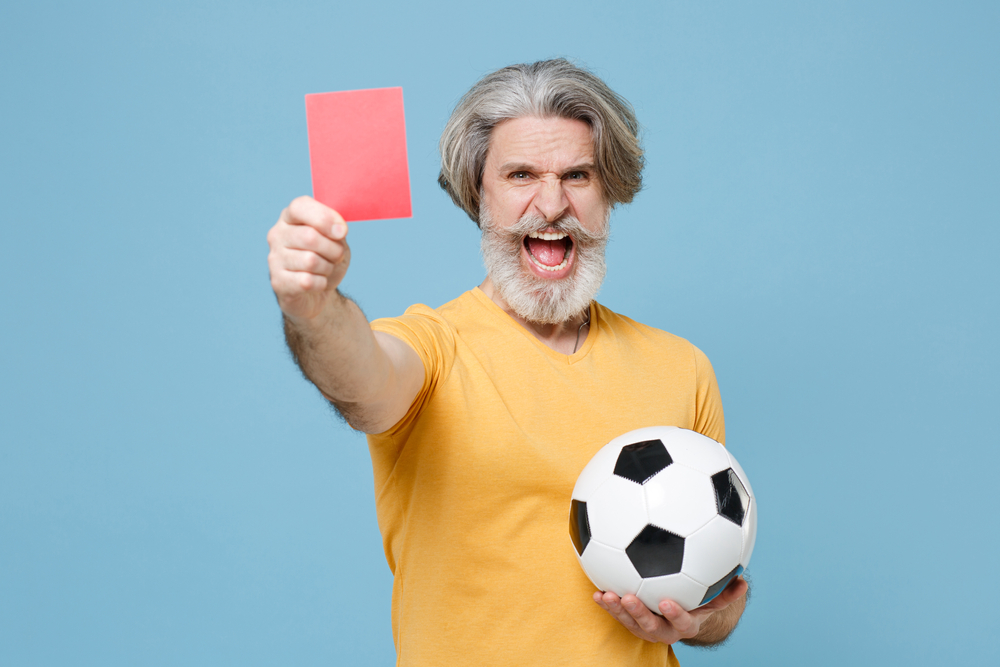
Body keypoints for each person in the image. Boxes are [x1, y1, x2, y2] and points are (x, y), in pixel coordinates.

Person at [267, 59, 748, 667]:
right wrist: (313, 310)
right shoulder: (434, 346)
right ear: (478, 193)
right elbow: (361, 378)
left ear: (609, 195)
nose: (551, 204)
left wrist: (701, 620)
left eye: (578, 175)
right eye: (521, 174)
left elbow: (721, 592)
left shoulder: (681, 368)